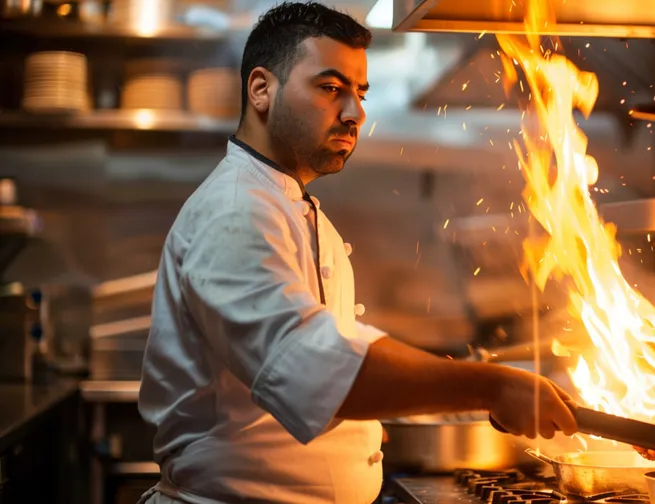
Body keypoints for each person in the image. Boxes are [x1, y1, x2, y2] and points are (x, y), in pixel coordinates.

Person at [137, 2, 578, 503]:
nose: (354, 114)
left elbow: (315, 373)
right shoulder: (236, 213)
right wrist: (492, 386)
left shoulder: (293, 208)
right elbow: (314, 372)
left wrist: (361, 430)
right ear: (261, 89)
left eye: (360, 93)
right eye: (330, 89)